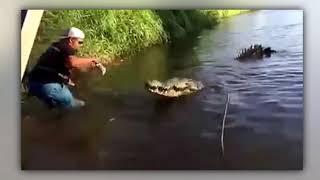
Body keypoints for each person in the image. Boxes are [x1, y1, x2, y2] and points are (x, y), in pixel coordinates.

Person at [27, 27, 102, 109]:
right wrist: (92, 60)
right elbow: (73, 63)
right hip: (47, 86)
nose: (81, 45)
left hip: (32, 83)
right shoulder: (67, 47)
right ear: (71, 40)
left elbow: (56, 67)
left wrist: (65, 79)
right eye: (80, 42)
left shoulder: (55, 47)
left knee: (52, 105)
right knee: (78, 105)